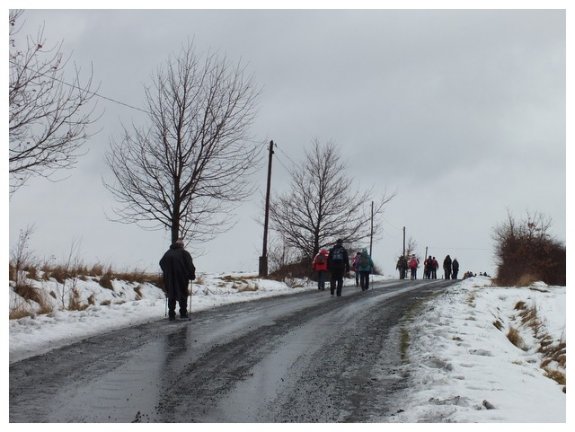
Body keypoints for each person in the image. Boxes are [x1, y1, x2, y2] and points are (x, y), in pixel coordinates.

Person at [160, 238, 196, 321]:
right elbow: (190, 266)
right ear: (182, 245)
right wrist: (191, 275)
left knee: (171, 294)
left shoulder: (167, 253)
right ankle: (183, 314)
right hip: (181, 277)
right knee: (182, 293)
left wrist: (166, 272)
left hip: (169, 278)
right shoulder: (184, 253)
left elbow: (161, 263)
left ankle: (171, 314)